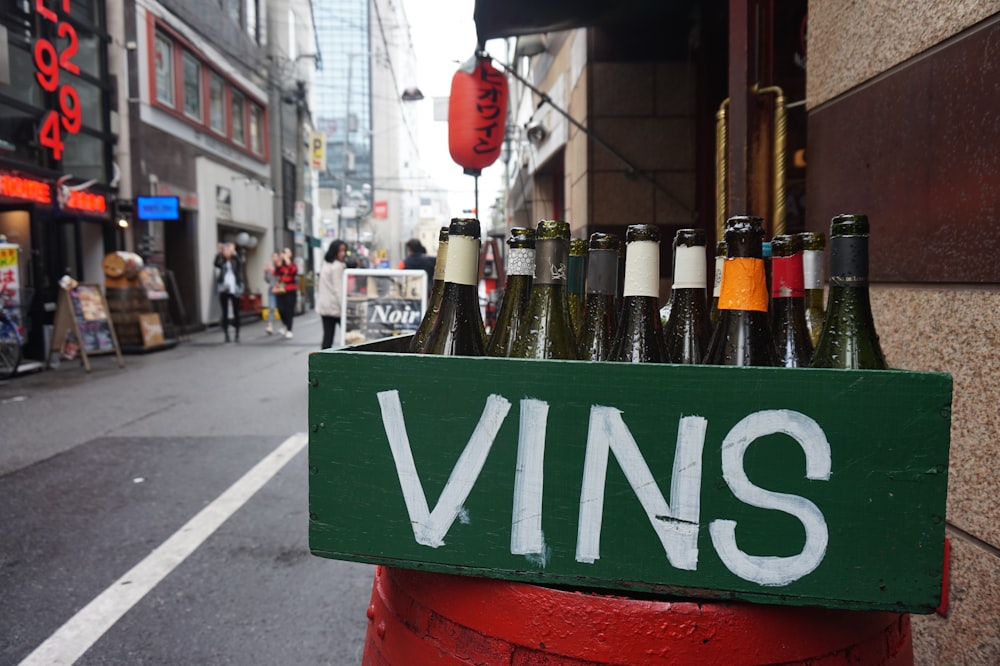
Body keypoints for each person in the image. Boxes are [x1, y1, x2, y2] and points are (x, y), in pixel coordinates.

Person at [316, 240, 347, 349]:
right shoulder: (337, 266)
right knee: (349, 336)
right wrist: (345, 307)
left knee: (327, 337)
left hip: (324, 306)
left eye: (344, 250)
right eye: (340, 251)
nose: (343, 253)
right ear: (334, 251)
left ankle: (323, 363)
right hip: (335, 307)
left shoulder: (325, 263)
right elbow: (339, 289)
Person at [214, 242, 243, 343]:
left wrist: (234, 253)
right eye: (225, 250)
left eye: (228, 250)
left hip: (235, 287)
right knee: (225, 311)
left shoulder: (235, 260)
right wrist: (220, 252)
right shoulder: (221, 260)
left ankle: (237, 334)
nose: (227, 252)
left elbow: (240, 263)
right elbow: (216, 263)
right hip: (224, 287)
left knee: (236, 311)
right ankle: (226, 334)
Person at [274, 247, 298, 339]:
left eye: (287, 252)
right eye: (284, 252)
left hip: (290, 290)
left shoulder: (293, 265)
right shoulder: (280, 265)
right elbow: (276, 273)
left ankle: (289, 329)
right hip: (280, 290)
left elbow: (293, 271)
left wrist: (287, 261)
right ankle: (284, 323)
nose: (285, 254)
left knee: (289, 310)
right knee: (280, 309)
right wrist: (279, 260)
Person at [263, 252, 280, 334]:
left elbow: (280, 277)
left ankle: (284, 325)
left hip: (280, 289)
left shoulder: (280, 266)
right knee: (272, 308)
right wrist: (266, 272)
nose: (274, 258)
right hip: (272, 289)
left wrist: (272, 270)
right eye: (273, 256)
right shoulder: (269, 266)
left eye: (276, 256)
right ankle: (270, 326)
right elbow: (267, 280)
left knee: (281, 309)